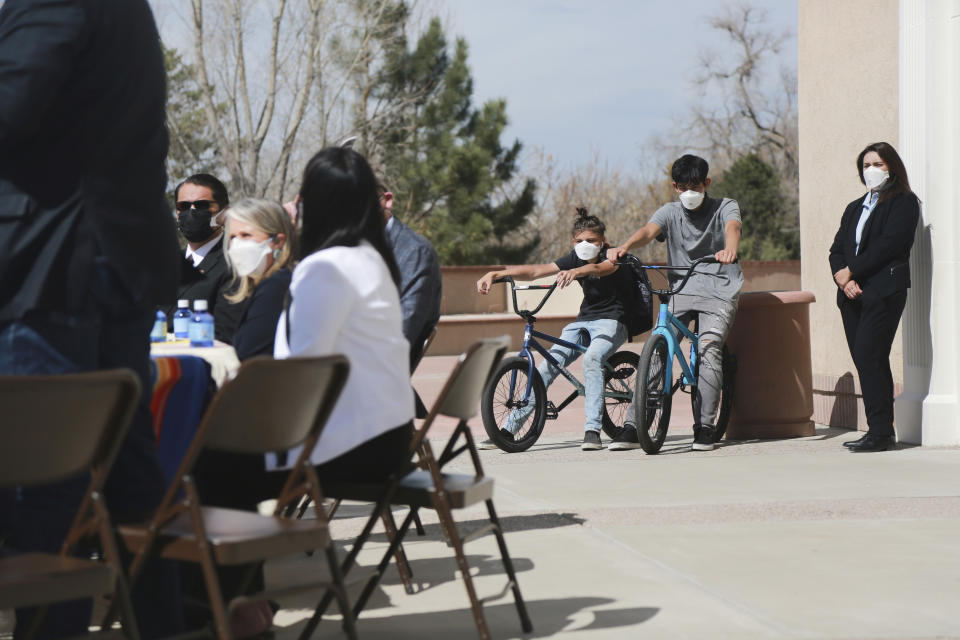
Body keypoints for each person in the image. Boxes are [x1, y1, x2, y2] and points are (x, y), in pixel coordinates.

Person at [0, 0, 183, 637]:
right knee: (128, 484)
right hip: (113, 267)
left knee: (43, 494)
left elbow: (11, 107)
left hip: (53, 271)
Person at [272, 147, 414, 482]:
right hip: (389, 439)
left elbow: (305, 370)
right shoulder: (372, 259)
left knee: (202, 463)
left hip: (348, 448)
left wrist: (285, 243)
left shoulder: (325, 268)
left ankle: (274, 534)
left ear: (312, 206)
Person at [608, 154, 742, 452]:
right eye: (683, 186)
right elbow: (648, 231)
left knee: (708, 348)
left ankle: (705, 426)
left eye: (695, 185)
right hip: (680, 287)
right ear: (674, 187)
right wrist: (625, 247)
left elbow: (733, 227)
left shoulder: (725, 206)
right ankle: (633, 425)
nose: (689, 192)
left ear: (707, 183)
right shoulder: (669, 212)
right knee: (657, 348)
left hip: (719, 288)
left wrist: (729, 250)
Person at [477, 208, 636, 451]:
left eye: (591, 240)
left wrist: (577, 271)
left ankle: (592, 430)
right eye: (579, 241)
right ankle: (509, 429)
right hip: (583, 320)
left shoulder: (612, 255)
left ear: (602, 241)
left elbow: (599, 269)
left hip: (614, 320)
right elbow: (535, 271)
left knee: (592, 359)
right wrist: (497, 273)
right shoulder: (574, 257)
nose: (584, 245)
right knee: (546, 367)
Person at [829, 142, 920, 453]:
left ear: (891, 167)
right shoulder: (855, 207)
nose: (871, 170)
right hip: (851, 294)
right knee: (866, 361)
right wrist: (844, 279)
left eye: (878, 164)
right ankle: (878, 429)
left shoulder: (904, 202)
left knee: (871, 356)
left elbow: (890, 245)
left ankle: (880, 432)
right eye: (866, 165)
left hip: (883, 291)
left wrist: (851, 270)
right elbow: (837, 249)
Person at [378, 176, 442, 415]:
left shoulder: (414, 254)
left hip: (374, 393)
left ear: (386, 201)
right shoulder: (350, 249)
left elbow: (401, 335)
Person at [168, 173, 244, 343]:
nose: (192, 212)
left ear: (225, 213)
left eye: (202, 205)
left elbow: (224, 333)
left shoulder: (233, 263)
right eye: (184, 206)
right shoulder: (166, 263)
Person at [223, 198, 298, 361]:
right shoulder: (263, 285)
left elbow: (249, 351)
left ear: (278, 241)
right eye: (232, 237)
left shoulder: (277, 287)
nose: (237, 245)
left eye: (246, 235)